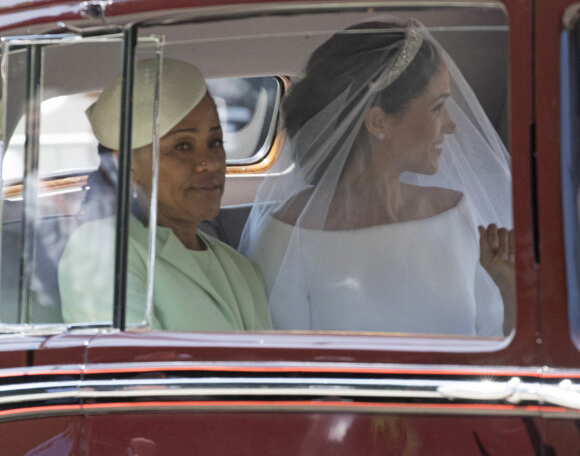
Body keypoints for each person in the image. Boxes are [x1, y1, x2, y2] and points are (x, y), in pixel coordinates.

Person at [240, 20, 514, 336]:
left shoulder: (456, 212)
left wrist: (508, 287)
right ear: (378, 121)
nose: (451, 125)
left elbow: (494, 340)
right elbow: (283, 367)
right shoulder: (286, 235)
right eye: (438, 107)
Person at [58, 58, 271, 331]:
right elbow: (132, 368)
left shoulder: (241, 269)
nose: (212, 162)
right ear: (126, 163)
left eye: (215, 142)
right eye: (183, 146)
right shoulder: (101, 250)